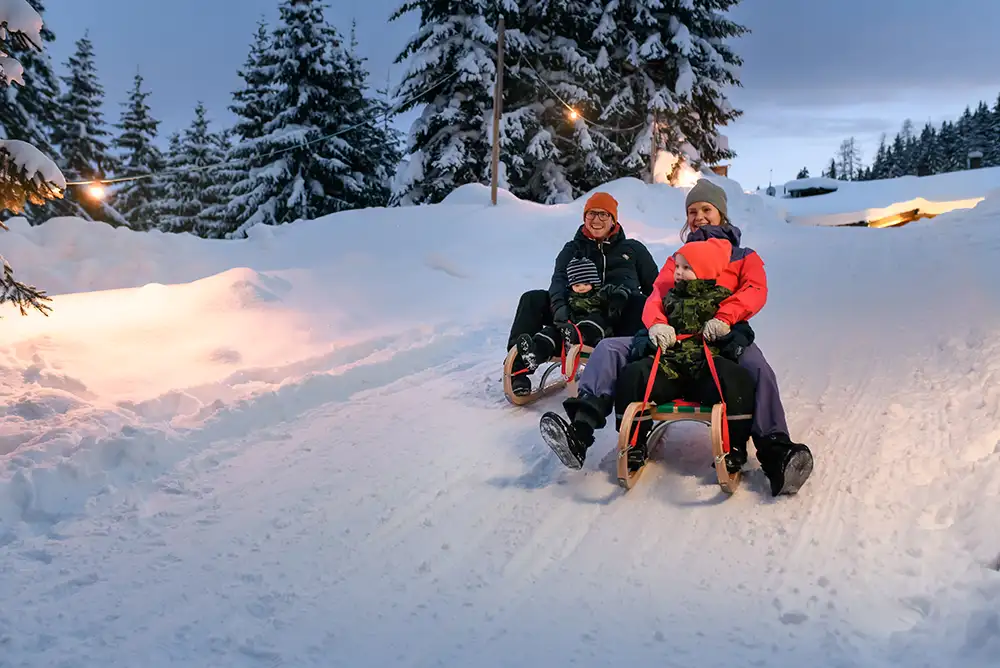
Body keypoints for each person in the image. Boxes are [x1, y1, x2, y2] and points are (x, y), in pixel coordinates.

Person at [539, 178, 813, 496]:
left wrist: (725, 318)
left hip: (722, 336)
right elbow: (658, 293)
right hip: (674, 338)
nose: (698, 216)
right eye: (692, 211)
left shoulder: (743, 256)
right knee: (609, 348)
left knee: (758, 368)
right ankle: (580, 431)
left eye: (706, 209)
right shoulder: (678, 258)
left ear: (721, 213)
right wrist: (656, 324)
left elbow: (755, 290)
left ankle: (776, 451)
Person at [540, 237, 757, 475]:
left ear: (704, 271)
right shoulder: (668, 299)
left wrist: (725, 332)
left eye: (687, 268)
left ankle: (735, 448)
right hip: (668, 369)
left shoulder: (720, 301)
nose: (678, 272)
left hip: (705, 371)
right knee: (633, 374)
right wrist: (652, 335)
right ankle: (632, 442)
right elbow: (642, 330)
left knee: (737, 379)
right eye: (677, 267)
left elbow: (742, 330)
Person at [506, 191, 660, 396]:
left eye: (603, 214)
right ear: (584, 217)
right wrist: (560, 309)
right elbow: (558, 283)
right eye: (591, 214)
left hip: (617, 319)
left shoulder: (633, 249)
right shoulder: (572, 249)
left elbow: (656, 289)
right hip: (575, 314)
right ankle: (520, 367)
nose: (596, 220)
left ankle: (633, 369)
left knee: (639, 301)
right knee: (532, 298)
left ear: (614, 219)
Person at [514, 256, 632, 371]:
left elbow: (623, 290)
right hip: (569, 331)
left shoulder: (602, 292)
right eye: (577, 285)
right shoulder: (568, 298)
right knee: (551, 332)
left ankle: (575, 337)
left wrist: (618, 297)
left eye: (586, 284)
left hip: (595, 334)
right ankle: (535, 354)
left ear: (594, 282)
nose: (581, 288)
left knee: (594, 320)